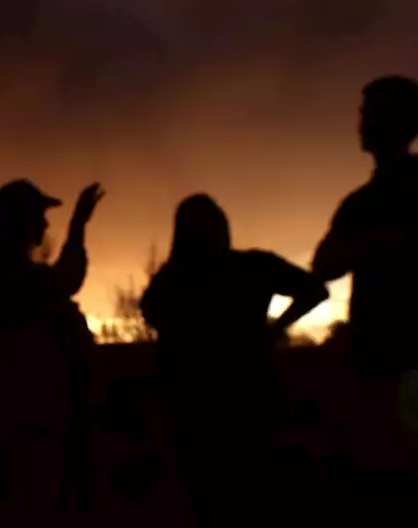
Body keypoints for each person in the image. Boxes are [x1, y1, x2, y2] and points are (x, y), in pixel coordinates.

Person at [311, 75, 418, 526]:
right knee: (384, 495)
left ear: (403, 120)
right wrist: (379, 241)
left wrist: (366, 244)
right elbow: (324, 264)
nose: (362, 121)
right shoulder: (359, 200)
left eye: (371, 111)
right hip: (371, 363)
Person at [140, 193, 329, 528]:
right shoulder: (255, 265)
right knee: (255, 494)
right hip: (253, 397)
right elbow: (316, 290)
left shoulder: (175, 280)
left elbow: (152, 313)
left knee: (208, 498)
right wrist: (276, 328)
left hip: (196, 404)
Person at [0, 179, 105, 525]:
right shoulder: (10, 278)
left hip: (35, 425)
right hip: (29, 429)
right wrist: (78, 226)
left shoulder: (4, 274)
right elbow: (66, 280)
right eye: (39, 216)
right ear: (21, 222)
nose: (45, 224)